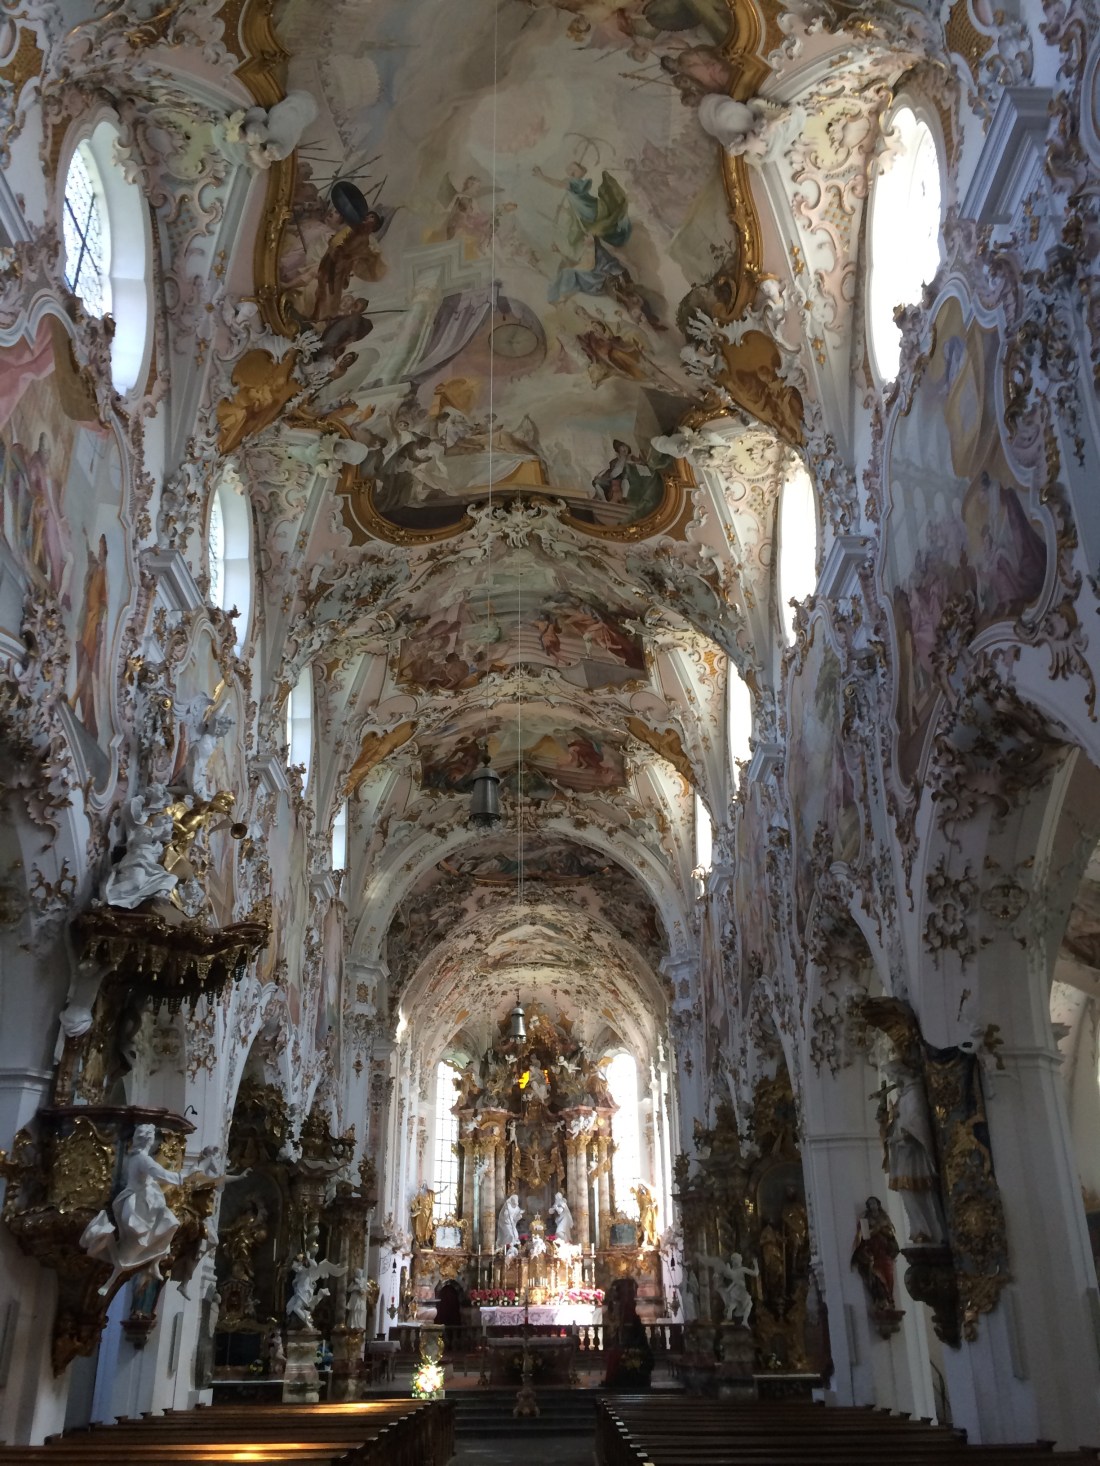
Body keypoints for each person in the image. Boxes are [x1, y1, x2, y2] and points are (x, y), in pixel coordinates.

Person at [80, 1123, 183, 1295]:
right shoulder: (142, 1159)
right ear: (149, 1141)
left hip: (148, 1201)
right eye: (152, 1139)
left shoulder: (136, 1156)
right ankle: (111, 1278)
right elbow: (161, 1174)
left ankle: (155, 1262)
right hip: (137, 1204)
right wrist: (184, 1177)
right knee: (137, 1242)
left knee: (171, 1224)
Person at [851, 1196, 901, 1314]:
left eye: (874, 1203)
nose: (873, 1206)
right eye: (870, 1204)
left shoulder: (885, 1217)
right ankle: (882, 1301)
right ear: (868, 1206)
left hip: (885, 1252)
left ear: (878, 1204)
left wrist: (881, 1230)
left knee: (889, 1275)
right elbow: (864, 1236)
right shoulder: (866, 1219)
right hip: (874, 1252)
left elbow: (891, 1233)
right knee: (877, 1276)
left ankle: (890, 1299)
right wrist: (878, 1228)